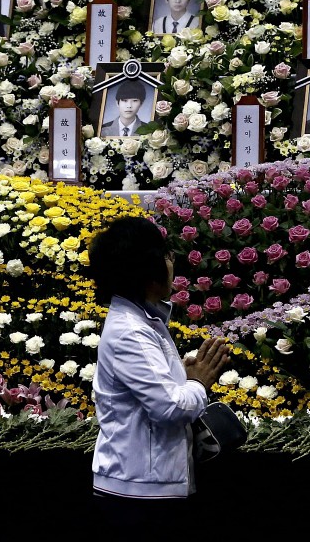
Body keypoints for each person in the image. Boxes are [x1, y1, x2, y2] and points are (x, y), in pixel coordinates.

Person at [89, 216, 231, 527]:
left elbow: (152, 388)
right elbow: (169, 407)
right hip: (138, 495)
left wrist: (182, 373)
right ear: (147, 270)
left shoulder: (143, 321)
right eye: (165, 254)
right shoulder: (131, 331)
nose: (171, 262)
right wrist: (198, 382)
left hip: (149, 488)